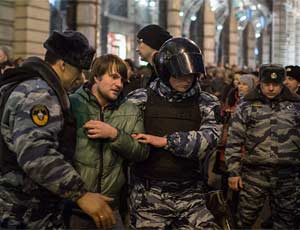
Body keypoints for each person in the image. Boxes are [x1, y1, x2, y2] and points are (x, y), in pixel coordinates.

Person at [0, 30, 116, 229]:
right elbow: (37, 154)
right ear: (62, 64)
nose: (81, 78)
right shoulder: (39, 94)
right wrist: (81, 194)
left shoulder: (26, 85)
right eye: (78, 70)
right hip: (25, 212)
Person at [127, 37, 222, 229]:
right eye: (179, 75)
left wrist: (165, 141)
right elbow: (123, 139)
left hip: (190, 193)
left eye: (191, 75)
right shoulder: (139, 99)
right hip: (148, 196)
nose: (186, 80)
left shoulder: (207, 102)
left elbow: (209, 139)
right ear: (164, 72)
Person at [67, 54, 149, 229]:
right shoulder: (72, 104)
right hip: (75, 208)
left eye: (122, 79)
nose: (119, 84)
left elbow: (141, 152)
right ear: (96, 77)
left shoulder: (130, 110)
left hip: (111, 209)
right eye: (113, 77)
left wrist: (115, 135)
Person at [225, 64, 300, 229]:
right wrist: (233, 172)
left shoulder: (295, 105)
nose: (271, 88)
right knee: (244, 220)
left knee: (286, 221)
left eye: (276, 84)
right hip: (254, 174)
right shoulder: (247, 105)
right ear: (260, 83)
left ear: (282, 83)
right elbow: (234, 140)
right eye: (267, 84)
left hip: (287, 176)